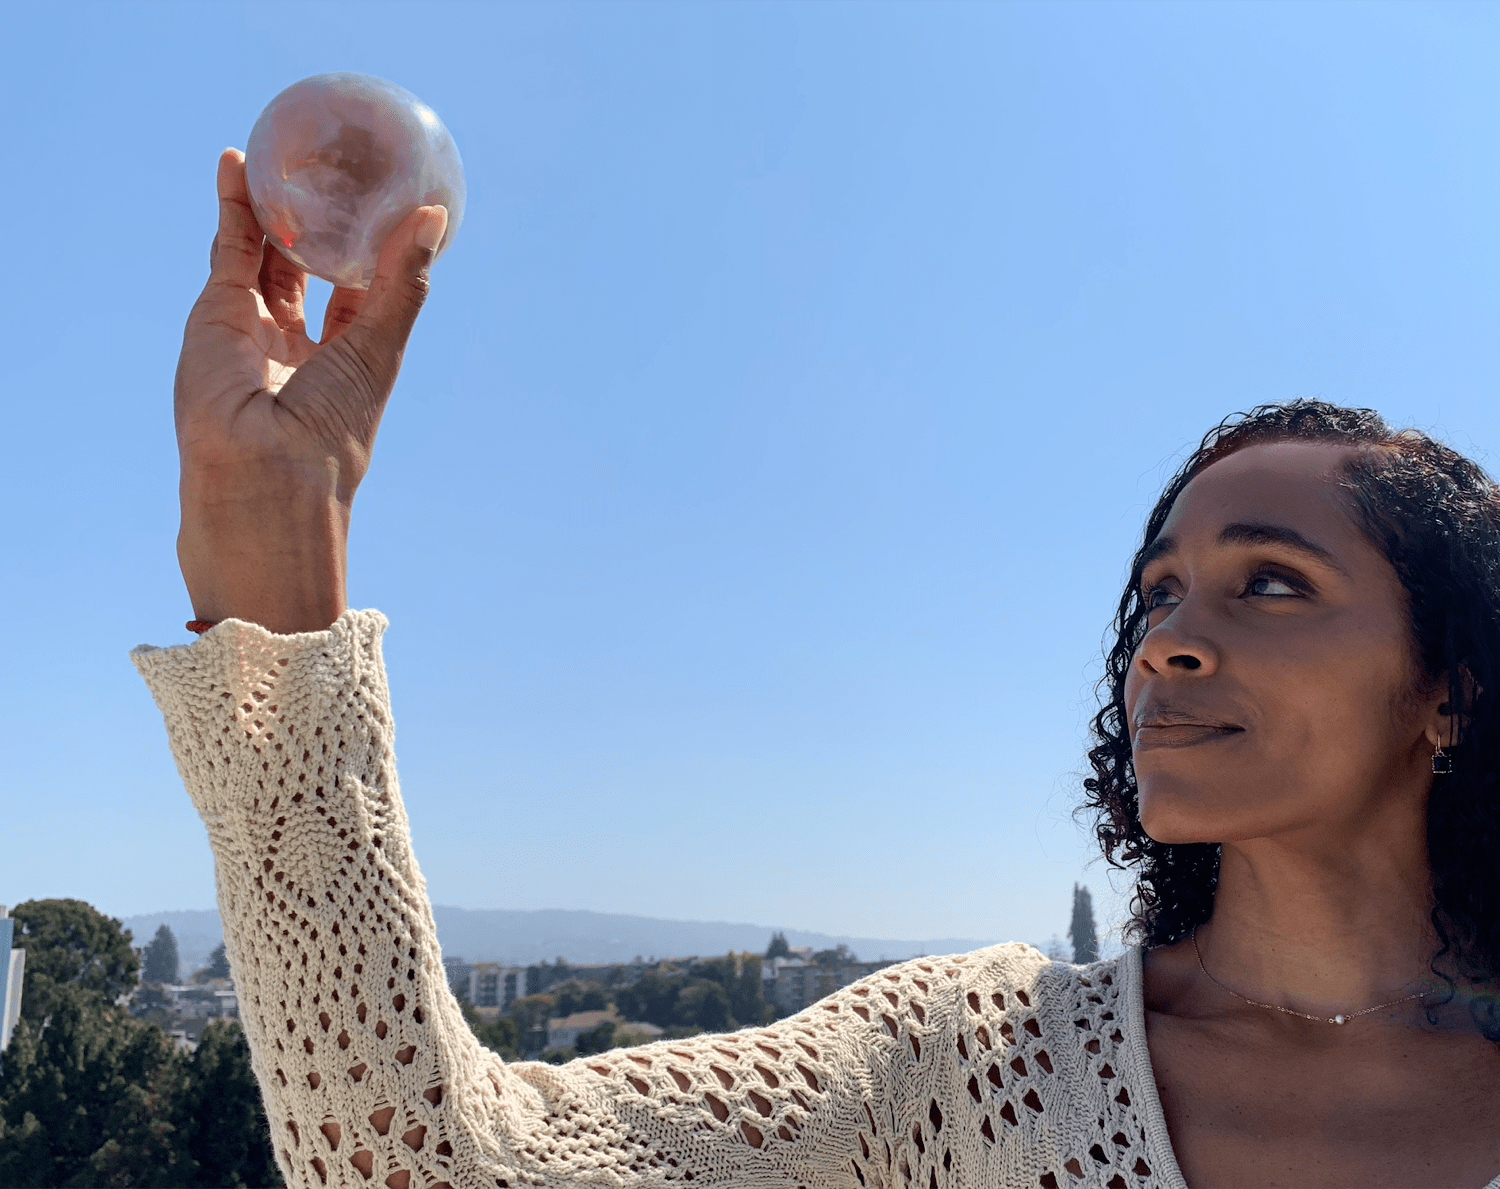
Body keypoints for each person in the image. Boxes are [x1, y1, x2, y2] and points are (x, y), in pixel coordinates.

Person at [132, 149, 1500, 1189]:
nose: (1168, 641)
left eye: (1273, 582)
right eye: (1155, 595)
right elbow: (427, 1160)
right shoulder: (971, 1058)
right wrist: (275, 573)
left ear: (1450, 686)